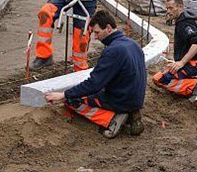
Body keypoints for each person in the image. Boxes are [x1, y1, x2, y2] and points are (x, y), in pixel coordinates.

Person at [45, 10, 146, 139]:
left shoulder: (113, 51)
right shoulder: (132, 44)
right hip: (135, 98)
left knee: (72, 100)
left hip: (121, 100)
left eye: (97, 32)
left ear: (108, 28)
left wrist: (63, 94)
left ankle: (112, 118)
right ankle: (130, 112)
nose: (96, 37)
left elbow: (94, 84)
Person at [152, 0, 197, 98]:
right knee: (158, 78)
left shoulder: (185, 22)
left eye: (171, 8)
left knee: (161, 79)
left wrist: (181, 62)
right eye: (167, 8)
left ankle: (195, 86)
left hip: (193, 65)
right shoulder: (181, 21)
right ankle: (191, 82)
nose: (168, 11)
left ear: (180, 7)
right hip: (190, 63)